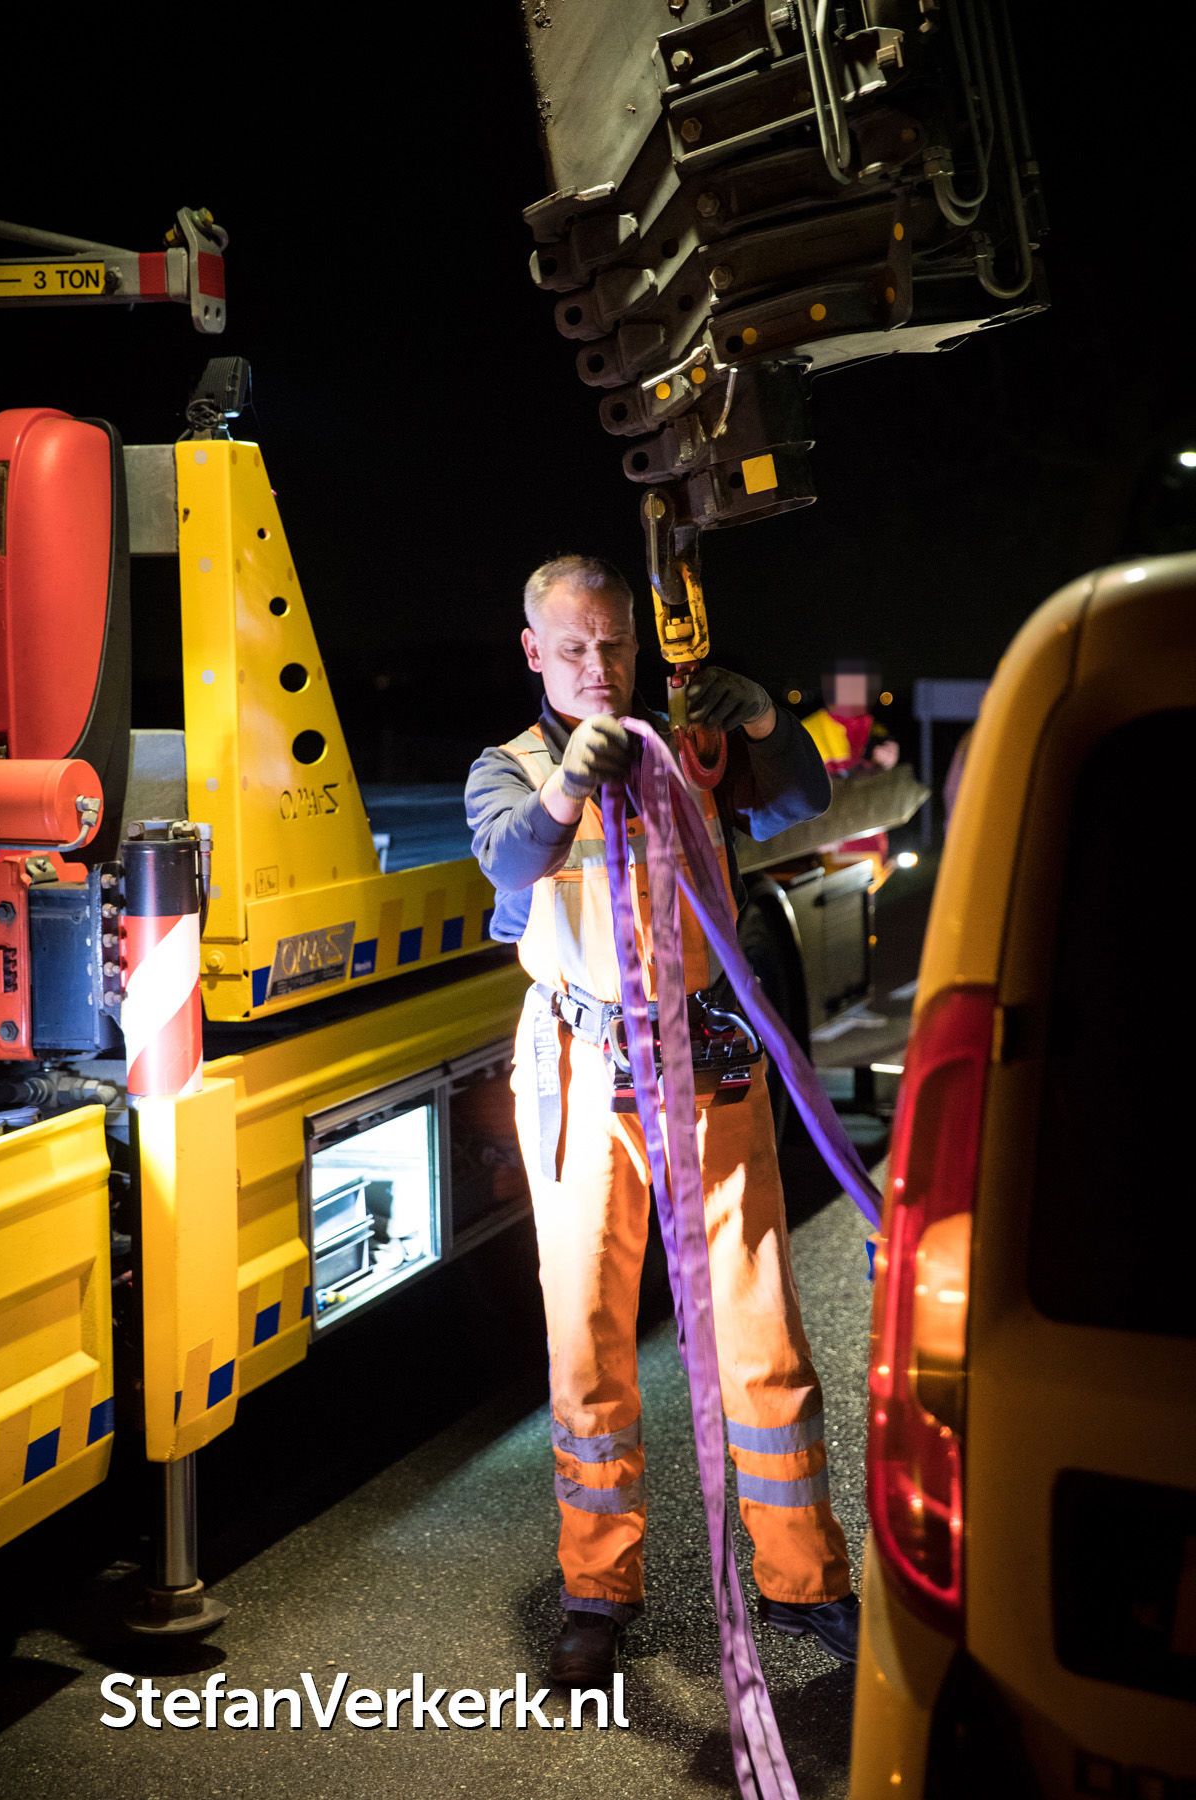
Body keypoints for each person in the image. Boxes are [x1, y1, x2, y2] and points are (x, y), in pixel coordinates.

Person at [465, 555, 859, 1686]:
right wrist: (566, 785)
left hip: (704, 1064)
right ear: (535, 651)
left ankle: (804, 1582)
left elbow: (801, 797)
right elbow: (507, 851)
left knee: (760, 1328)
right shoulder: (509, 769)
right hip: (582, 1070)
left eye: (614, 644)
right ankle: (597, 1592)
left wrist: (766, 719)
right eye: (574, 647)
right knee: (587, 1339)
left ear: (636, 645)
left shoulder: (689, 748)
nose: (599, 665)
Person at [801, 659, 899, 862]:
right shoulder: (808, 730)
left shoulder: (875, 729)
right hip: (828, 845)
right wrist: (813, 832)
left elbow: (882, 787)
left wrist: (889, 763)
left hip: (871, 838)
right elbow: (796, 792)